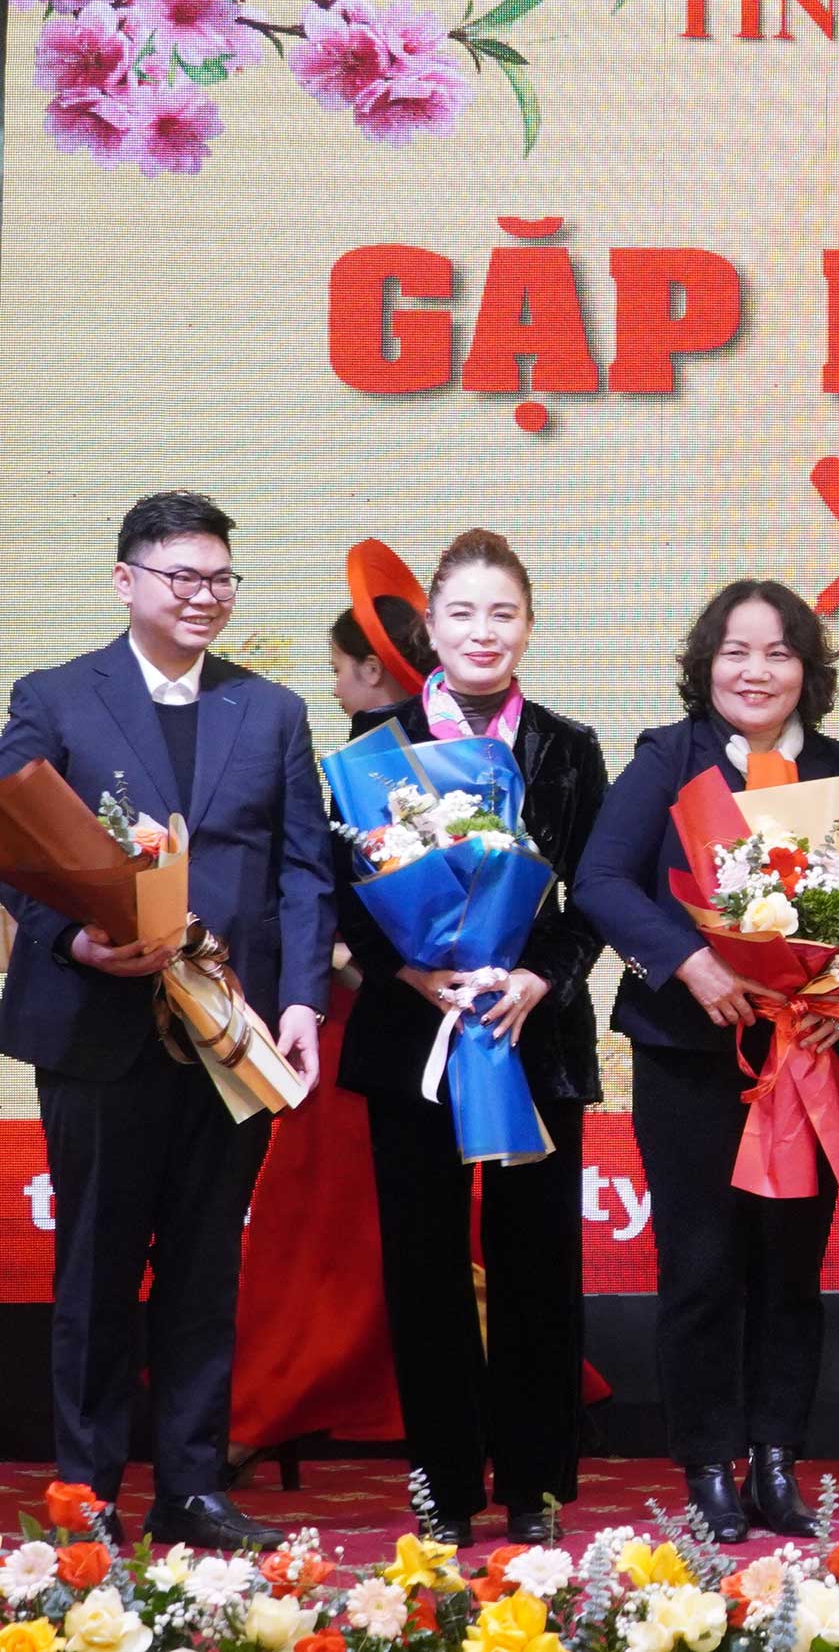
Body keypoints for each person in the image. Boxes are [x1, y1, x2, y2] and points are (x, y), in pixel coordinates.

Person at [0, 490, 338, 1551]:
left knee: (204, 1267)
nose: (204, 595)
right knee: (96, 1266)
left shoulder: (271, 710)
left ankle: (191, 1485)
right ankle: (87, 1493)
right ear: (126, 581)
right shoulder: (54, 696)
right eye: (181, 575)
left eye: (219, 578)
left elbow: (303, 870)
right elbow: (12, 844)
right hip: (98, 1028)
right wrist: (73, 940)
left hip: (229, 1034)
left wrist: (301, 999)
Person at [339, 528, 609, 1546]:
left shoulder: (568, 747)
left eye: (503, 612)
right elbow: (344, 894)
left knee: (537, 1258)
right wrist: (408, 969)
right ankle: (444, 1485)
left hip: (530, 1031)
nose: (482, 631)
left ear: (528, 625)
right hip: (418, 1033)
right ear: (431, 625)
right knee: (424, 1263)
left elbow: (597, 894)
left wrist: (541, 976)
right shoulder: (376, 749)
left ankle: (535, 1481)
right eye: (462, 612)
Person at [573, 580, 839, 1541]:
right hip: (690, 1054)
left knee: (790, 1267)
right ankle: (708, 1464)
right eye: (736, 651)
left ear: (807, 669)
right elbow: (600, 879)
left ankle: (777, 1459)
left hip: (800, 1054)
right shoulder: (669, 756)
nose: (756, 671)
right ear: (706, 664)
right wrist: (688, 961)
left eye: (778, 652)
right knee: (700, 1264)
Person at [224, 568, 437, 1476]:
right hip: (411, 1021)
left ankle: (270, 1402)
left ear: (372, 670)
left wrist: (354, 964)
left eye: (340, 668)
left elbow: (329, 901)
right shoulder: (439, 748)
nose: (335, 684)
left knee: (317, 1231)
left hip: (355, 1028)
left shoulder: (364, 761)